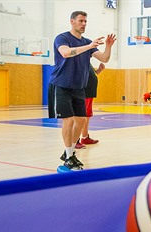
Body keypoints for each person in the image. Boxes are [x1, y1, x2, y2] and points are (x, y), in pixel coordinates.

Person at [48, 10, 116, 171]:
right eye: (81, 21)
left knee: (81, 121)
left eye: (85, 21)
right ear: (72, 21)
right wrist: (89, 46)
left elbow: (104, 58)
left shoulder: (87, 42)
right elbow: (65, 53)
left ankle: (69, 153)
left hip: (79, 88)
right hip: (62, 85)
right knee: (69, 120)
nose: (84, 24)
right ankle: (69, 156)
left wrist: (108, 46)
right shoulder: (62, 38)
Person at [75, 63, 105, 149]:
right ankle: (75, 140)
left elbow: (91, 75)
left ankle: (85, 137)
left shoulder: (87, 62)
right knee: (80, 116)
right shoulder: (79, 61)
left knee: (87, 116)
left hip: (90, 92)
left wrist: (99, 70)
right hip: (83, 92)